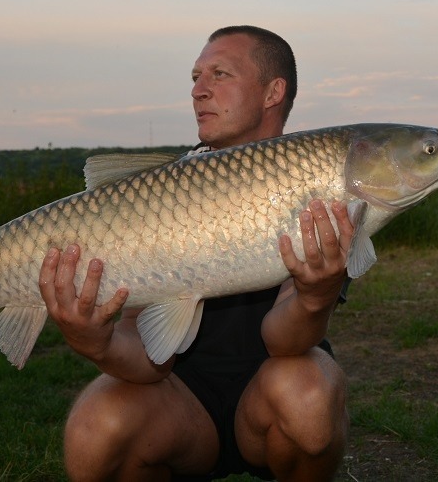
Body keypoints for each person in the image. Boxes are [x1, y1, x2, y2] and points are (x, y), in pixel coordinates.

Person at [38, 26, 353, 481]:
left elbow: (283, 342)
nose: (198, 91)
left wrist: (316, 296)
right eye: (194, 78)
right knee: (93, 428)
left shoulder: (317, 185)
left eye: (219, 74)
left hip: (270, 394)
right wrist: (98, 344)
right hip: (181, 401)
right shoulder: (161, 193)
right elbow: (151, 361)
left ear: (273, 92)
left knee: (306, 395)